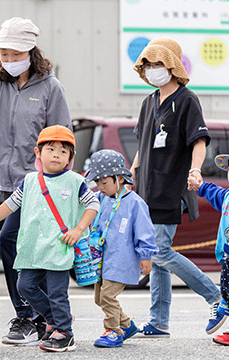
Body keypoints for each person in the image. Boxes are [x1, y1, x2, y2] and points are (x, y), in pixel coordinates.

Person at [0, 17, 72, 344]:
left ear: (30, 52)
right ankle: (36, 316)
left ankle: (36, 316)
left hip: (42, 185)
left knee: (18, 243)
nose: (9, 61)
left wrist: (58, 177)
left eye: (15, 54)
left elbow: (63, 137)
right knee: (14, 244)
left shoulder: (51, 88)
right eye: (4, 55)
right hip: (9, 185)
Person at [0, 125, 99, 352]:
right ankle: (55, 318)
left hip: (59, 248)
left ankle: (65, 334)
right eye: (51, 149)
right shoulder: (29, 181)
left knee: (57, 293)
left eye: (63, 151)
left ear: (70, 157)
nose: (57, 154)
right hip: (31, 249)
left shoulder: (74, 181)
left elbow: (93, 204)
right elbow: (9, 205)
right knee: (24, 286)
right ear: (38, 153)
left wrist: (79, 229)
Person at [131, 37, 223, 337]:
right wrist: (130, 178)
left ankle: (216, 297)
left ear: (172, 65)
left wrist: (195, 170)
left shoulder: (186, 100)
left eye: (159, 64)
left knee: (159, 250)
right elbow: (141, 146)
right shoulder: (148, 102)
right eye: (149, 64)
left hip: (171, 186)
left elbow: (198, 140)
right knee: (156, 257)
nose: (153, 70)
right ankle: (158, 321)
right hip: (145, 188)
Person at [84, 149, 158, 347]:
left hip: (122, 260)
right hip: (102, 259)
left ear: (119, 178)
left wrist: (145, 256)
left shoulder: (135, 203)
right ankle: (126, 325)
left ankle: (113, 331)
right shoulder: (101, 199)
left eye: (104, 182)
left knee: (108, 296)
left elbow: (144, 231)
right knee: (99, 298)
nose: (100, 186)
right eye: (97, 182)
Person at [191, 154, 229, 345]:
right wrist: (200, 185)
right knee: (227, 288)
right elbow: (212, 191)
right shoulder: (227, 196)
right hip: (227, 256)